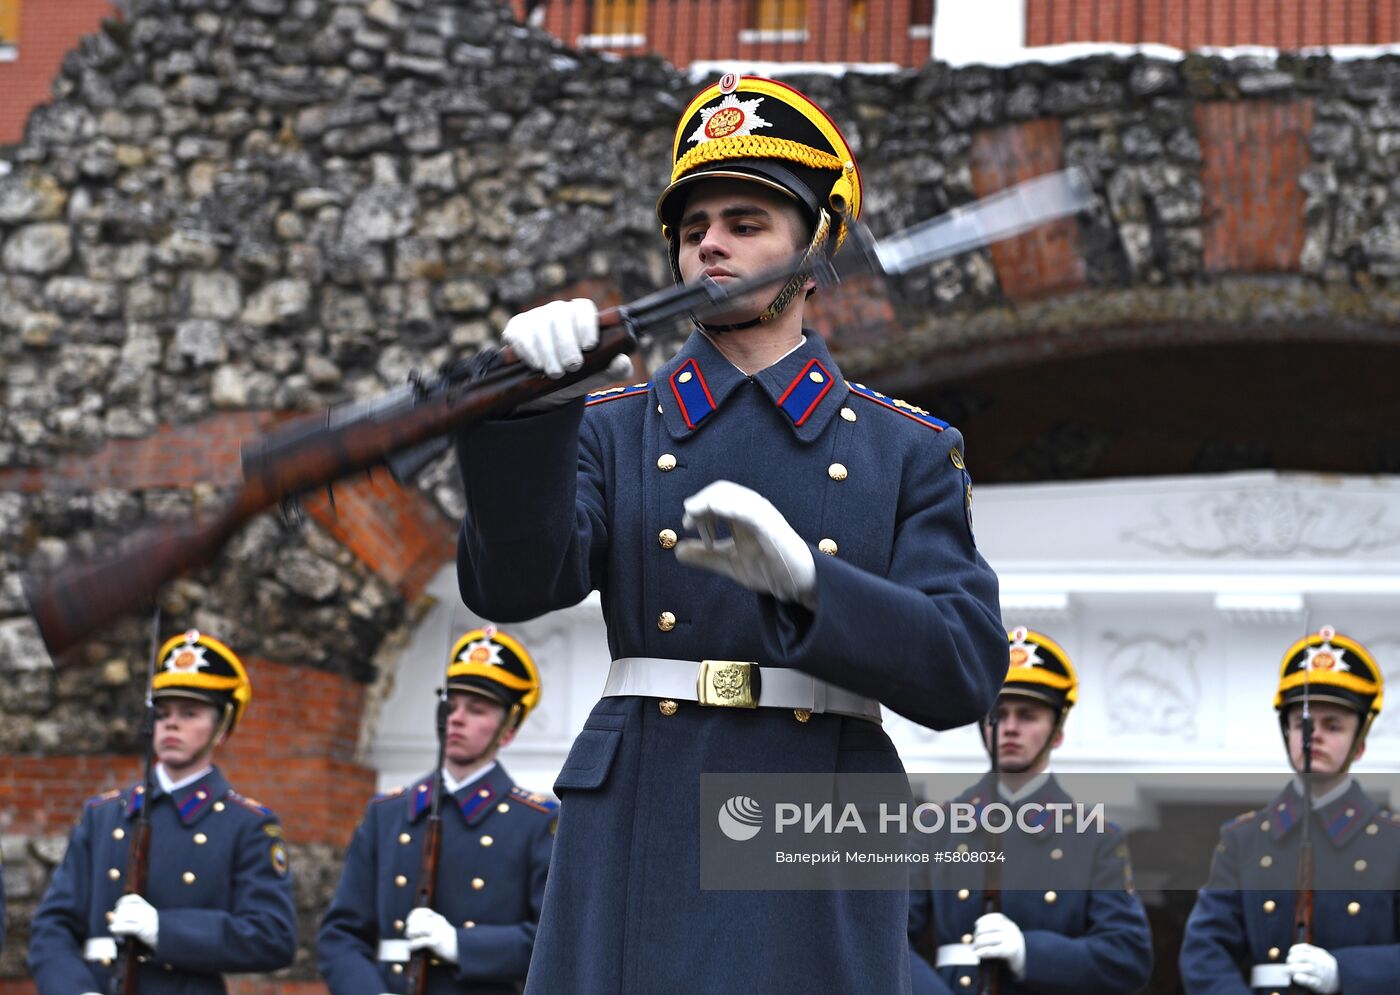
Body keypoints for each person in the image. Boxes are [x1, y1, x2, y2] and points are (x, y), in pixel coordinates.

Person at [453, 74, 1006, 991]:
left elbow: (963, 671)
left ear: (818, 244)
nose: (709, 242)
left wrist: (810, 588)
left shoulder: (905, 449)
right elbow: (513, 586)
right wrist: (523, 415)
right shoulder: (613, 426)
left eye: (746, 222)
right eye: (693, 226)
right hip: (644, 795)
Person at [29, 628, 297, 994]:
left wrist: (164, 929)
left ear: (221, 728)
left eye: (190, 712)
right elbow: (52, 927)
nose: (171, 723)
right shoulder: (105, 815)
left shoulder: (246, 825)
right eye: (163, 712)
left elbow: (273, 936)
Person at [908, 627, 1152, 993]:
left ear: (1057, 732)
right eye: (998, 715)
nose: (1009, 728)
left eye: (1027, 715)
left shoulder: (1094, 838)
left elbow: (1128, 957)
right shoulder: (937, 827)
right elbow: (886, 936)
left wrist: (1030, 952)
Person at [317, 626, 554, 994]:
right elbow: (341, 934)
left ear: (507, 730)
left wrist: (461, 945)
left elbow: (554, 939)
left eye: (477, 710)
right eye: (452, 705)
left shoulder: (537, 821)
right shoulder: (388, 813)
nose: (456, 718)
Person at [1180, 626, 1400, 993]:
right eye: (1303, 724)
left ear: (1359, 745)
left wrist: (1347, 971)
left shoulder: (1392, 843)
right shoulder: (1244, 840)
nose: (1314, 736)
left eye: (1333, 726)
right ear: (1288, 735)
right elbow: (1205, 952)